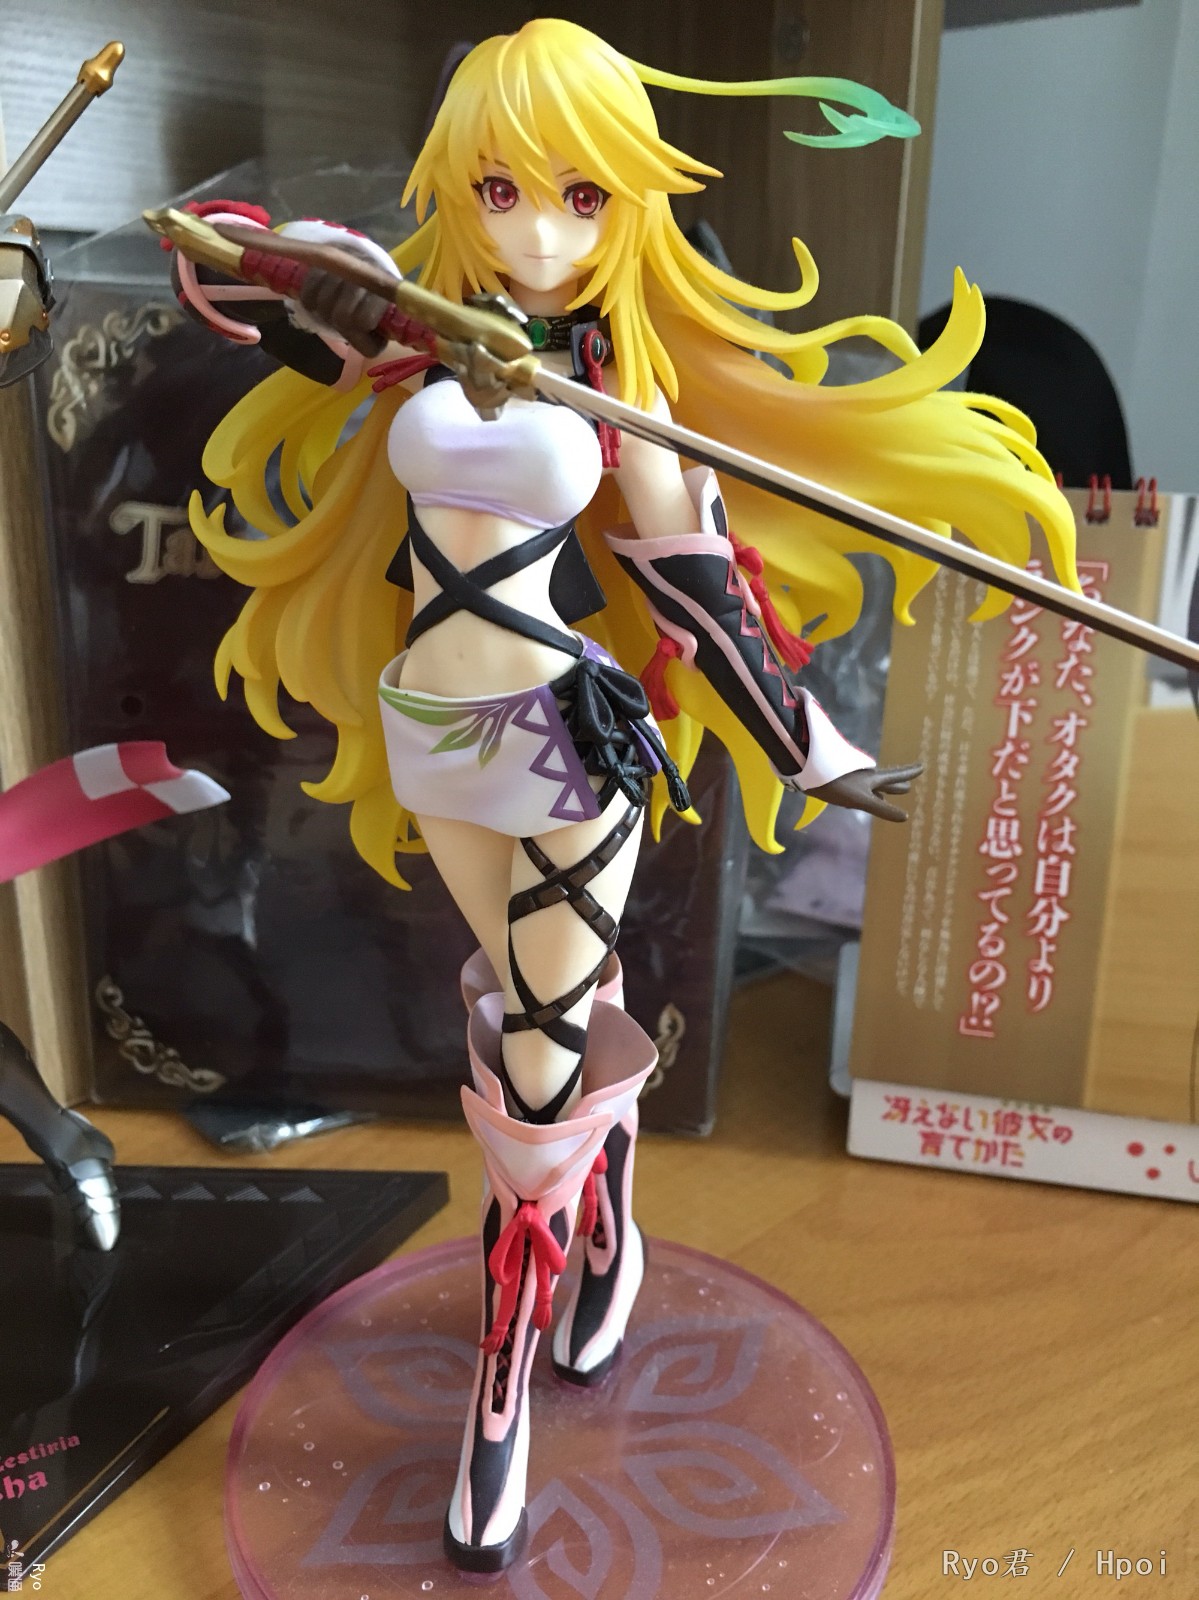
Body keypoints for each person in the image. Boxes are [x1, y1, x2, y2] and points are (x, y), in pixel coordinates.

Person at [176, 19, 1078, 1573]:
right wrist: (240, 252)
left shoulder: (613, 390)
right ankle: (613, 1198)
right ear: (459, 189)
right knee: (526, 1019)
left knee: (529, 1084)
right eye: (503, 190)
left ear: (629, 210)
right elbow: (269, 294)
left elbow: (698, 593)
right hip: (429, 728)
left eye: (583, 198)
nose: (538, 234)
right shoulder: (415, 346)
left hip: (559, 738)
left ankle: (500, 1396)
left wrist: (809, 746)